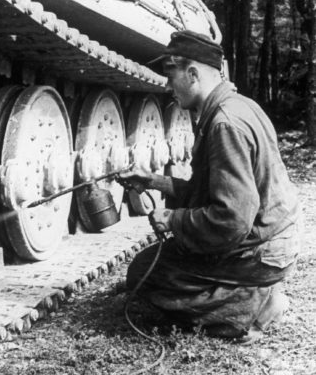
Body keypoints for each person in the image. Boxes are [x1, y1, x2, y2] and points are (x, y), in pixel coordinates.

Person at [120, 29, 300, 343]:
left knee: (146, 274)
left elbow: (231, 220)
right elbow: (216, 191)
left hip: (263, 251)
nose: (167, 84)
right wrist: (157, 182)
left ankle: (253, 307)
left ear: (192, 74)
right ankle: (250, 292)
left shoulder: (224, 124)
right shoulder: (238, 106)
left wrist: (173, 219)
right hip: (275, 239)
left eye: (170, 74)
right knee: (154, 264)